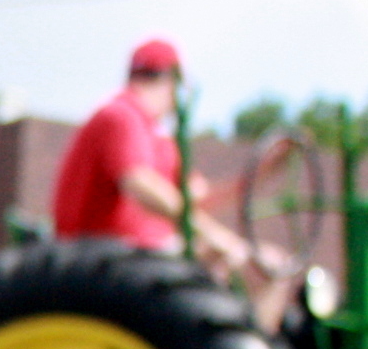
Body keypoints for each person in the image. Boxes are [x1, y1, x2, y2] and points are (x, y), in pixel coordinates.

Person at [52, 38, 262, 281]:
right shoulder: (120, 116)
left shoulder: (157, 137)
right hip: (104, 258)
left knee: (265, 261)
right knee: (240, 263)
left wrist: (262, 173)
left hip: (146, 252)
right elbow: (140, 184)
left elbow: (194, 198)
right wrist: (211, 233)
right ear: (172, 81)